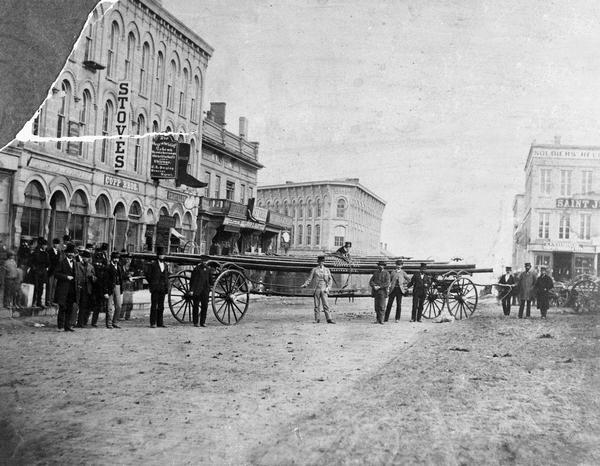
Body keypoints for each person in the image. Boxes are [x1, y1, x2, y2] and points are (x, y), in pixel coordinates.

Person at [301, 255, 335, 323]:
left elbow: (330, 280)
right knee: (316, 305)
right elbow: (309, 279)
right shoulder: (314, 270)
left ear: (324, 262)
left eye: (322, 261)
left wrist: (328, 288)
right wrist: (305, 284)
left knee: (326, 304)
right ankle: (317, 319)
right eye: (319, 261)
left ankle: (329, 319)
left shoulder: (327, 270)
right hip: (316, 289)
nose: (321, 263)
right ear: (318, 262)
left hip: (324, 289)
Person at [54, 243, 77, 332]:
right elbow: (56, 274)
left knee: (70, 307)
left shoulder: (74, 263)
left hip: (71, 289)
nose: (71, 254)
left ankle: (68, 326)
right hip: (63, 288)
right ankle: (60, 326)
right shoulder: (62, 262)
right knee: (62, 307)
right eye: (69, 253)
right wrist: (66, 277)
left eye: (72, 253)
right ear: (66, 253)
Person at [146, 246, 170, 328]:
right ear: (158, 255)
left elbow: (166, 277)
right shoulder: (153, 265)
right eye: (161, 255)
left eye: (163, 255)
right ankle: (153, 323)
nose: (162, 256)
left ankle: (160, 322)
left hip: (162, 288)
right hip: (155, 288)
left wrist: (166, 287)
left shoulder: (166, 265)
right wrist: (152, 283)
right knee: (154, 305)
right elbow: (148, 275)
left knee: (161, 306)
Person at [105, 251, 127, 328]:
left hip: (118, 287)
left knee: (118, 306)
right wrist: (106, 291)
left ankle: (115, 322)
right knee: (109, 307)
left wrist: (128, 277)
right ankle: (109, 323)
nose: (116, 260)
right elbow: (105, 280)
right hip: (110, 288)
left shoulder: (119, 267)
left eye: (117, 258)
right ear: (112, 259)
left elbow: (122, 276)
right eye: (115, 258)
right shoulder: (108, 267)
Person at [190, 255, 212, 327]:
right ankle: (195, 322)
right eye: (203, 261)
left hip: (205, 291)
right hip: (197, 290)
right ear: (201, 261)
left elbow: (210, 281)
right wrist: (191, 290)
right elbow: (192, 280)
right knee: (195, 306)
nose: (204, 263)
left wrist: (209, 288)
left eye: (205, 261)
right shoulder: (196, 269)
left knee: (204, 306)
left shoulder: (208, 269)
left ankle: (203, 322)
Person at [75, 250, 96, 327]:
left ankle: (82, 322)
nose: (85, 259)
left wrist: (92, 277)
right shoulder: (77, 265)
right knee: (77, 305)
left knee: (85, 306)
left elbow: (95, 278)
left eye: (87, 258)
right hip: (79, 286)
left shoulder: (91, 267)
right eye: (84, 257)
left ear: (89, 258)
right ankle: (76, 322)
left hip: (87, 288)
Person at [30, 237, 49, 308]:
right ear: (42, 245)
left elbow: (48, 263)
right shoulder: (36, 252)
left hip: (43, 272)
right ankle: (34, 302)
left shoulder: (46, 253)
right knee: (36, 287)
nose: (46, 246)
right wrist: (35, 269)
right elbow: (31, 262)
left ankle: (39, 302)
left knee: (41, 287)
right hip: (37, 272)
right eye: (44, 245)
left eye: (46, 245)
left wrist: (44, 269)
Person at [369, 260, 390, 324]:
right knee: (376, 306)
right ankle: (377, 319)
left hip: (382, 292)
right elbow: (371, 281)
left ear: (384, 266)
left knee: (382, 306)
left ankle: (381, 320)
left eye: (382, 265)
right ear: (378, 266)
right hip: (376, 292)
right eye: (379, 265)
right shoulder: (375, 273)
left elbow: (387, 283)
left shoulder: (387, 273)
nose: (380, 266)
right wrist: (374, 286)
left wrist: (380, 287)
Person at [45, 238, 61, 306]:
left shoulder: (59, 252)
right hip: (51, 271)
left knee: (55, 286)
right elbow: (48, 261)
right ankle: (48, 300)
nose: (56, 245)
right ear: (53, 244)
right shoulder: (49, 251)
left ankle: (52, 300)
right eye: (55, 243)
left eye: (57, 244)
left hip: (56, 271)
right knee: (50, 286)